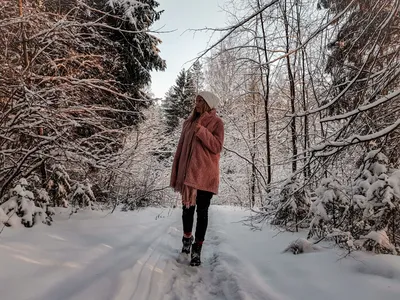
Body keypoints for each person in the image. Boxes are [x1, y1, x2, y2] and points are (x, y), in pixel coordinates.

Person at [170, 91, 224, 266]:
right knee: (187, 210)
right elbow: (180, 149)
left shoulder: (217, 123)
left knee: (202, 213)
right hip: (188, 176)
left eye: (201, 100)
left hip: (206, 175)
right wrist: (177, 170)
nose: (197, 103)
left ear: (208, 104)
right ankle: (187, 239)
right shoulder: (188, 122)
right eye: (196, 100)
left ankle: (197, 250)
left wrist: (201, 131)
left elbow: (217, 147)